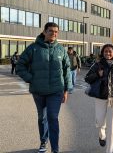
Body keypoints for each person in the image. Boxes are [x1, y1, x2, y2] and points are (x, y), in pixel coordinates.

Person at [16, 22, 71, 153]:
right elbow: (20, 66)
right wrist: (31, 79)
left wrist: (66, 89)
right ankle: (43, 141)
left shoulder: (61, 49)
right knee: (42, 118)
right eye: (51, 31)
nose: (54, 34)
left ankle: (55, 149)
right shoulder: (33, 48)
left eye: (56, 32)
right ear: (44, 32)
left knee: (52, 117)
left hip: (56, 91)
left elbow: (66, 69)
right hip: (39, 91)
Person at [85, 44, 113, 153]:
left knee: (112, 125)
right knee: (100, 122)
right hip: (100, 97)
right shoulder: (97, 65)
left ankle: (110, 150)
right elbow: (87, 78)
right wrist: (97, 75)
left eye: (110, 51)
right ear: (102, 53)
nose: (108, 53)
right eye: (105, 51)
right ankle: (102, 134)